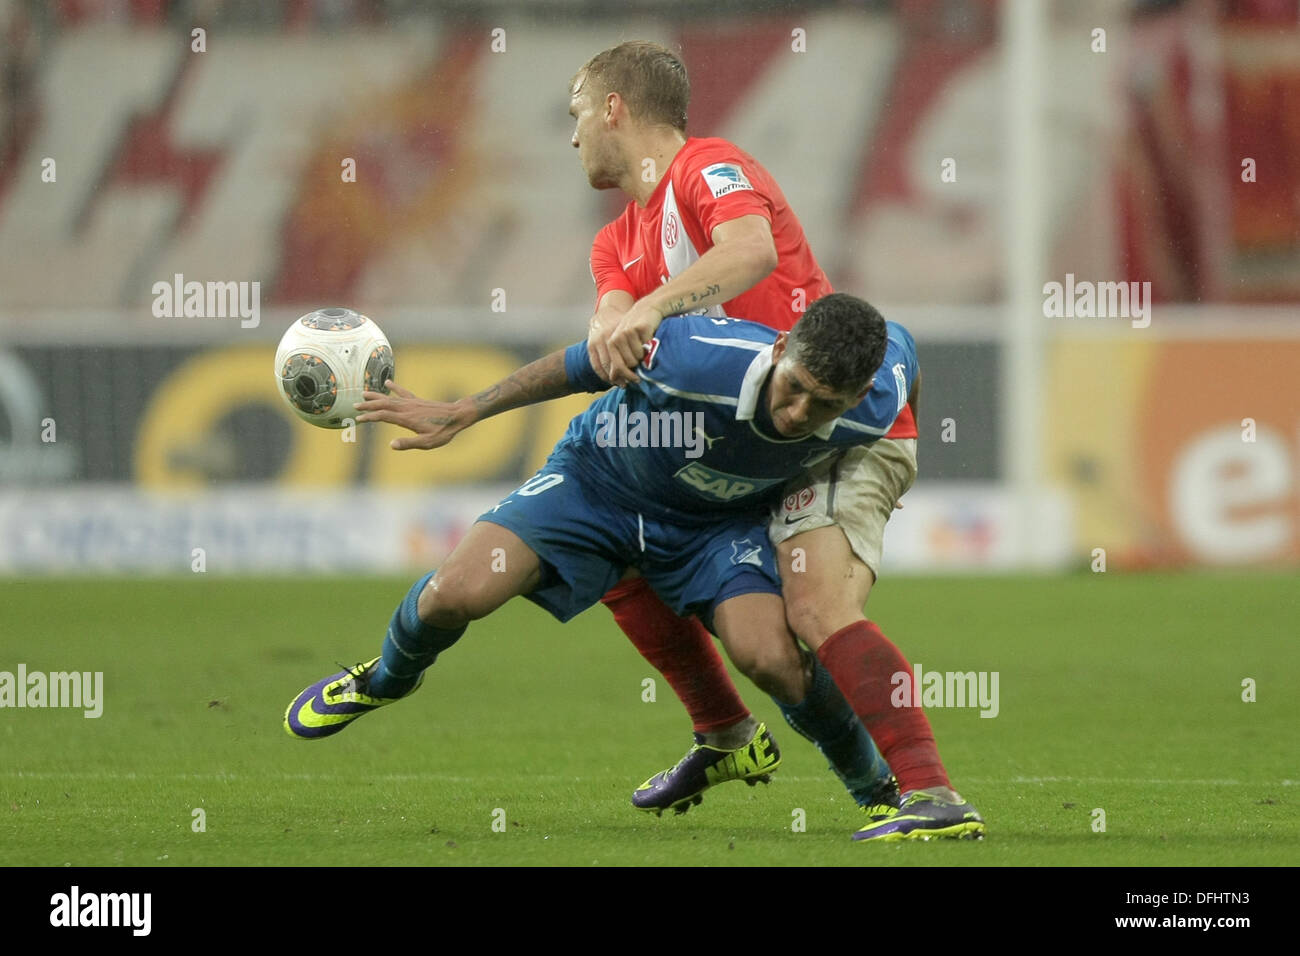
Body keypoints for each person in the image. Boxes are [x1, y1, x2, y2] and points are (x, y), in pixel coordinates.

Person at [284, 293, 983, 842]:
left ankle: (875, 793)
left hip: (716, 527)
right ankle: (383, 680)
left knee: (770, 655)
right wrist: (467, 410)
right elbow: (577, 365)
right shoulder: (693, 356)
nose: (799, 412)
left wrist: (899, 456)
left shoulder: (875, 398)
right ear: (779, 348)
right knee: (452, 597)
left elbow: (904, 353)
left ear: (858, 400)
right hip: (600, 485)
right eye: (793, 386)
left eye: (825, 405)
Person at [565, 41, 980, 838]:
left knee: (819, 608)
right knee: (648, 551)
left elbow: (753, 252)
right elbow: (608, 321)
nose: (573, 133)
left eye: (578, 110)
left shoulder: (708, 167)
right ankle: (743, 741)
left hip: (829, 425)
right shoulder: (619, 238)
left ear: (614, 108)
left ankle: (931, 794)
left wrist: (651, 312)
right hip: (769, 439)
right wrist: (617, 325)